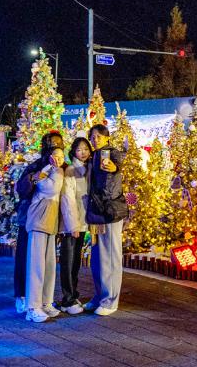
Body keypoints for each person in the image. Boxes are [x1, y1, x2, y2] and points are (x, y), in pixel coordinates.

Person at [24, 142, 82, 323]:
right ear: (48, 157)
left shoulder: (59, 172)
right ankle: (33, 307)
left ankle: (46, 302)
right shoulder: (49, 170)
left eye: (60, 156)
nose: (57, 159)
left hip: (52, 224)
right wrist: (51, 169)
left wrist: (72, 226)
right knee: (36, 266)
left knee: (49, 265)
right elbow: (51, 188)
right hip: (39, 221)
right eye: (54, 156)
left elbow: (64, 200)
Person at [13, 131, 63, 314]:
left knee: (48, 261)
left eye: (57, 145)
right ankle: (22, 296)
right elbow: (21, 188)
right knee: (25, 258)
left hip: (52, 220)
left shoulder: (63, 166)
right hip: (30, 218)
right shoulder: (36, 166)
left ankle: (44, 301)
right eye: (49, 145)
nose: (53, 148)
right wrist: (33, 179)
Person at [85, 124, 128, 316]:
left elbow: (119, 162)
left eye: (99, 137)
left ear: (107, 138)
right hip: (96, 212)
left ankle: (111, 300)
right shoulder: (92, 156)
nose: (95, 140)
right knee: (98, 257)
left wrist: (114, 167)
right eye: (92, 137)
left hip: (110, 211)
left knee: (110, 255)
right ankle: (100, 295)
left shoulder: (112, 153)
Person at [58, 137, 93, 314]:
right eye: (79, 150)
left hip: (82, 223)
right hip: (71, 226)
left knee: (75, 262)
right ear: (73, 152)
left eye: (86, 149)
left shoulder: (88, 170)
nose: (83, 152)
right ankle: (67, 299)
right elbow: (67, 198)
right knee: (68, 261)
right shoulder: (71, 170)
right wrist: (73, 225)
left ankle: (73, 295)